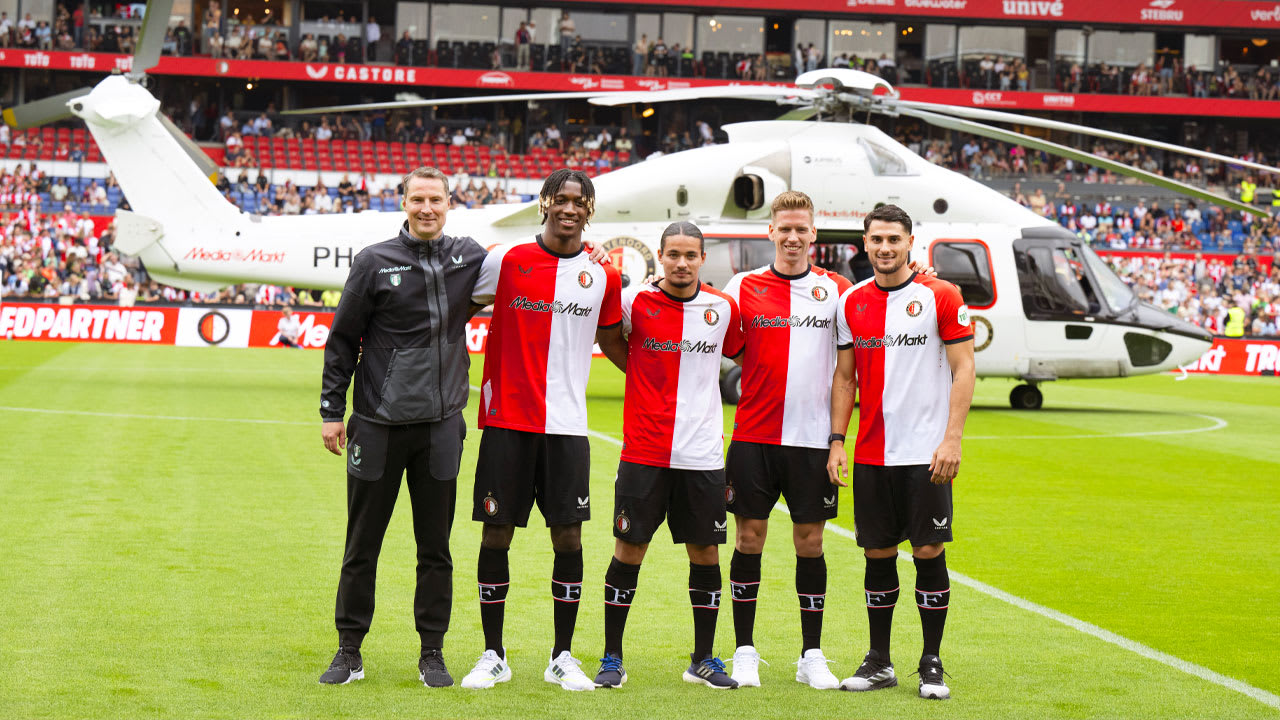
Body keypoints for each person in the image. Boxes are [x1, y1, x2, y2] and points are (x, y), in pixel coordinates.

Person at [317, 167, 488, 688]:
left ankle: (431, 653)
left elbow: (533, 264)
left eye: (436, 199)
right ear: (404, 202)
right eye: (418, 199)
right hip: (376, 426)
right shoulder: (374, 261)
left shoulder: (471, 257)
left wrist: (591, 256)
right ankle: (349, 651)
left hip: (440, 427)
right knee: (361, 544)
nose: (427, 208)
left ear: (449, 202)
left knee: (435, 548)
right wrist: (331, 410)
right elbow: (343, 339)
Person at [461, 169, 624, 692]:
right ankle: (493, 653)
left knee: (569, 535)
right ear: (545, 202)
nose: (570, 208)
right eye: (561, 198)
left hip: (568, 426)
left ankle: (562, 655)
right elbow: (456, 314)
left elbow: (617, 342)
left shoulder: (605, 275)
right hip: (507, 419)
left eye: (580, 201)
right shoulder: (504, 260)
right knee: (496, 531)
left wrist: (660, 377)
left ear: (590, 210)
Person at [827, 204, 975, 701]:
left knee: (929, 551)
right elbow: (845, 379)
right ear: (865, 245)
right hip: (871, 454)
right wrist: (837, 441)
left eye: (894, 239)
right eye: (876, 240)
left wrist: (952, 438)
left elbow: (964, 368)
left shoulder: (941, 295)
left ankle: (931, 662)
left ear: (911, 241)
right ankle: (879, 660)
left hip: (926, 453)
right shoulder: (850, 302)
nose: (885, 248)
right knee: (877, 553)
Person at [592, 222, 746, 690]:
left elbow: (741, 352)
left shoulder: (722, 308)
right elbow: (611, 341)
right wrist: (641, 375)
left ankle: (703, 658)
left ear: (702, 258)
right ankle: (612, 656)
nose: (681, 263)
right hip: (645, 451)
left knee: (705, 552)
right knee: (629, 549)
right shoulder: (633, 301)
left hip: (701, 455)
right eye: (673, 254)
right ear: (660, 255)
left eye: (690, 255)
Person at [720, 191, 851, 690]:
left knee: (810, 541)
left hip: (813, 441)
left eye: (802, 229)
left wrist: (838, 439)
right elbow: (719, 338)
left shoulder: (836, 290)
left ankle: (811, 655)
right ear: (769, 232)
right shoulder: (743, 285)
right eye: (784, 229)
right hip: (754, 436)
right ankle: (745, 650)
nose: (793, 237)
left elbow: (847, 372)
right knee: (748, 538)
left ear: (814, 234)